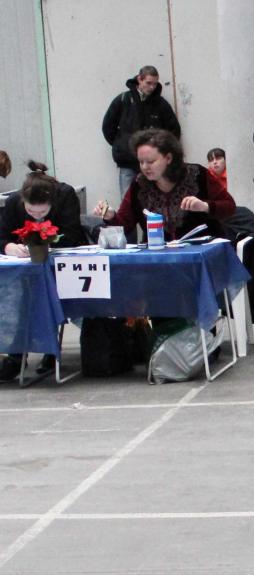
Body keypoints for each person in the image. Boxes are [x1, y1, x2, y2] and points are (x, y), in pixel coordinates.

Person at [0, 160, 86, 382]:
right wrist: (8, 246)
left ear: (52, 203)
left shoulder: (65, 195)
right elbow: (2, 236)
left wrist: (45, 242)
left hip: (62, 264)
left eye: (43, 211)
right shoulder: (13, 202)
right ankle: (16, 354)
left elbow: (72, 235)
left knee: (46, 293)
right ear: (23, 202)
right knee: (17, 294)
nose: (37, 216)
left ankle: (50, 349)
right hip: (26, 269)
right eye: (31, 211)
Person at [93, 129, 234, 241]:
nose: (145, 167)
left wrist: (205, 206)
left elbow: (229, 207)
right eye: (141, 162)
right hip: (158, 258)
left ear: (168, 158)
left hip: (202, 254)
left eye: (150, 161)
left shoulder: (197, 174)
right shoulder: (139, 184)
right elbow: (125, 225)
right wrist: (111, 216)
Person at [102, 65, 181, 200]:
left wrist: (162, 150)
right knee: (128, 200)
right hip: (127, 161)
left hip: (154, 162)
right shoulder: (123, 100)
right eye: (149, 83)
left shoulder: (160, 104)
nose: (152, 87)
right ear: (139, 79)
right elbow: (108, 126)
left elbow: (173, 130)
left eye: (155, 84)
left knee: (155, 199)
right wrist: (121, 144)